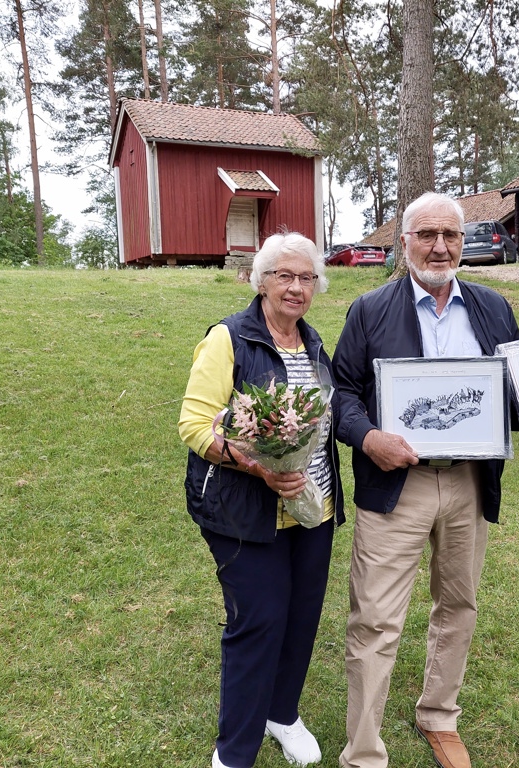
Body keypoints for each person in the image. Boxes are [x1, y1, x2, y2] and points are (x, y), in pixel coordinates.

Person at [332, 192, 519, 768]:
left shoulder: (492, 307)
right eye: (427, 235)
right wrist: (369, 438)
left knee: (458, 604)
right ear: (404, 243)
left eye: (450, 235)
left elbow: (515, 393)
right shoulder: (370, 310)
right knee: (375, 619)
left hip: (468, 483)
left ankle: (439, 716)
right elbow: (342, 393)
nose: (440, 247)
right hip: (396, 485)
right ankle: (364, 753)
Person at [179, 232, 346, 768]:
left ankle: (282, 713)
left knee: (301, 617)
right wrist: (258, 466)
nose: (296, 287)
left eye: (307, 278)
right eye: (284, 276)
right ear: (261, 281)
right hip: (245, 513)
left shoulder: (313, 342)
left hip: (313, 509)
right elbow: (195, 426)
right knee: (259, 622)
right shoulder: (228, 338)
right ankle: (234, 753)